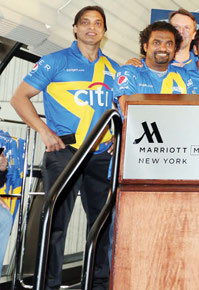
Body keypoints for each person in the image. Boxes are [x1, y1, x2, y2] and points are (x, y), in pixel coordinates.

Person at [9, 6, 117, 289]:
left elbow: (123, 109)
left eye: (97, 23)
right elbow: (19, 98)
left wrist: (119, 136)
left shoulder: (114, 69)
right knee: (54, 224)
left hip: (102, 156)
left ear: (104, 31)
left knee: (102, 224)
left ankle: (98, 283)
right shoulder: (53, 61)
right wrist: (43, 131)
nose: (91, 28)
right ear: (75, 28)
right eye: (85, 22)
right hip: (64, 154)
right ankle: (48, 283)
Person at [115, 21, 191, 99]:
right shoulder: (130, 72)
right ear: (146, 47)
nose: (163, 48)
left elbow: (193, 108)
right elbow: (126, 108)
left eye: (169, 44)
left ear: (175, 49)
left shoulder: (183, 75)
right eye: (156, 43)